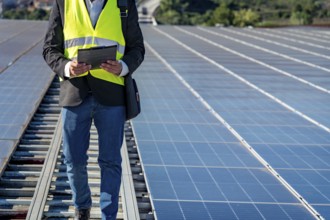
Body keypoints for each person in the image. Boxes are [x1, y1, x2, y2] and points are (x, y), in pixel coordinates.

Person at [42, 0, 144, 219]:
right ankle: (82, 207)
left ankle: (109, 215)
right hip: (74, 92)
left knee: (110, 161)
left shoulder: (124, 3)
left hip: (111, 94)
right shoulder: (64, 3)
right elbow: (50, 49)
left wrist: (123, 66)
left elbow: (137, 48)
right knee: (73, 159)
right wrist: (68, 67)